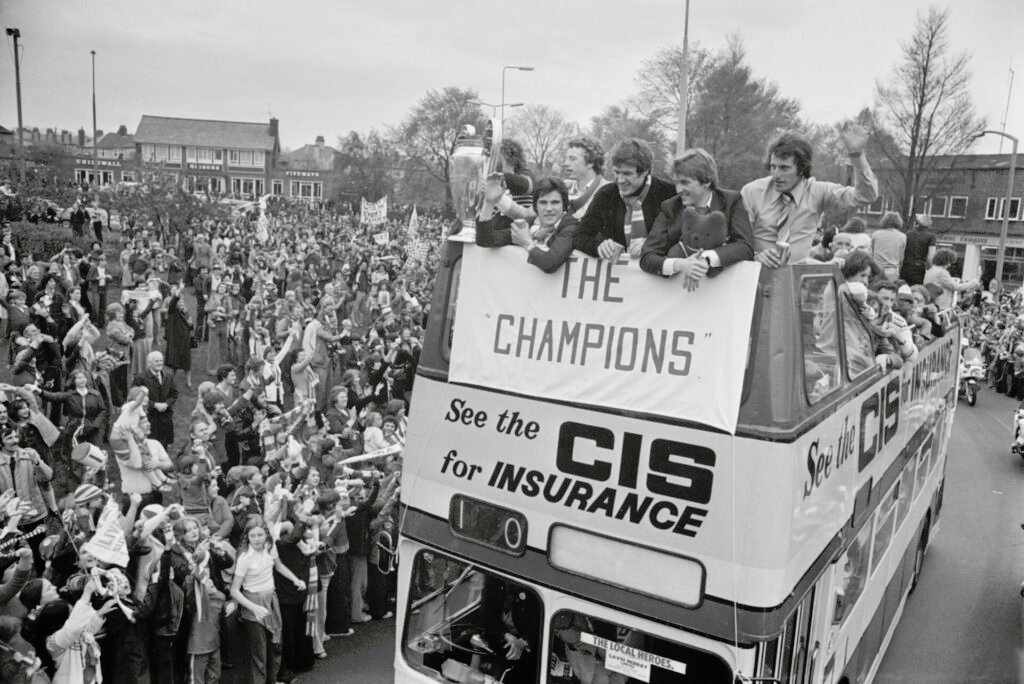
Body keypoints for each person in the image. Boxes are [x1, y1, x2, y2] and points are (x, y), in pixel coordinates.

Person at [740, 124, 878, 266]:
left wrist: (857, 156)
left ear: (802, 169)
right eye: (773, 167)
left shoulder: (819, 192)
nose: (776, 175)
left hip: (796, 282)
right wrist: (755, 256)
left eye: (784, 168)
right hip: (755, 277)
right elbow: (738, 240)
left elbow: (865, 196)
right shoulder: (751, 192)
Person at [639, 148, 754, 290]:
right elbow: (647, 257)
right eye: (676, 183)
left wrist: (705, 259)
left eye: (685, 182)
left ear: (706, 181)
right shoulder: (670, 207)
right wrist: (681, 264)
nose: (678, 190)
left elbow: (745, 246)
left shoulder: (732, 201)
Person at [573, 138, 676, 261]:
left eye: (627, 174)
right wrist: (599, 246)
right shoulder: (606, 194)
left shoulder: (668, 193)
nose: (620, 180)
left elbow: (682, 238)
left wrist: (652, 246)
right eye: (617, 172)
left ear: (645, 172)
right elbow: (580, 237)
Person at [476, 177, 580, 273]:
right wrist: (489, 202)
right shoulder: (532, 223)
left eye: (555, 202)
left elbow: (550, 263)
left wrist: (526, 243)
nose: (549, 209)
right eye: (543, 203)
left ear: (564, 205)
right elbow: (485, 240)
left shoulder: (570, 226)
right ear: (535, 206)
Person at [132, 351, 178, 447]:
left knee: (164, 443)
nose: (160, 363)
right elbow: (135, 397)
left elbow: (174, 393)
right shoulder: (141, 378)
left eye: (161, 360)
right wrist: (154, 405)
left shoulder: (168, 376)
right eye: (156, 361)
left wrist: (167, 404)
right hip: (149, 417)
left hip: (165, 416)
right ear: (149, 363)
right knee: (150, 443)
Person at [564, 137, 609, 219]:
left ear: (590, 162)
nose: (566, 163)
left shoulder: (609, 192)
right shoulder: (563, 189)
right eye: (566, 158)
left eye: (572, 159)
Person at [900, 213, 938, 285]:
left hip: (905, 267)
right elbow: (931, 257)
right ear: (929, 225)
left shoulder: (908, 234)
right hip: (918, 269)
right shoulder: (931, 237)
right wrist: (929, 269)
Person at [871, 211, 907, 280]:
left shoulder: (876, 234)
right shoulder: (902, 236)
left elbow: (872, 253)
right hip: (892, 270)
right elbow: (901, 258)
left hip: (877, 269)